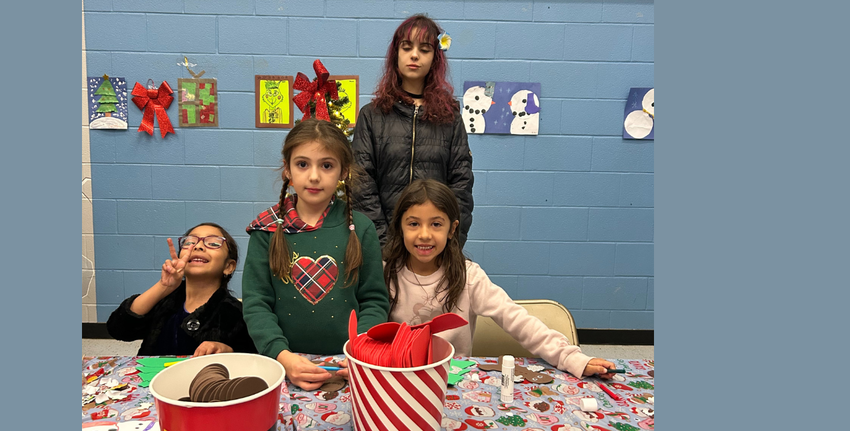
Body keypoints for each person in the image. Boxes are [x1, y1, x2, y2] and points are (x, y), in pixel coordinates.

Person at [383, 180, 615, 379]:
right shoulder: (385, 273)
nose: (424, 234)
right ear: (400, 227)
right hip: (394, 377)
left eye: (436, 224)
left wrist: (570, 357)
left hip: (451, 385)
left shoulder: (469, 277)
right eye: (413, 224)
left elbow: (516, 319)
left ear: (452, 229)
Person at [243, 119, 390, 390]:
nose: (314, 176)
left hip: (350, 366)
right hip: (282, 365)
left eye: (326, 165)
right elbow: (256, 304)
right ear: (287, 169)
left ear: (343, 171)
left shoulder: (361, 228)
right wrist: (283, 357)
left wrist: (360, 351)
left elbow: (374, 301)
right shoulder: (265, 229)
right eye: (302, 164)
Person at [352, 14, 474, 248]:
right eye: (406, 47)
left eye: (425, 49)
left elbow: (461, 186)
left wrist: (449, 244)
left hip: (434, 247)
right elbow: (361, 186)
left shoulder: (450, 118)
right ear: (396, 54)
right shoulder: (372, 115)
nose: (415, 55)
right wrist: (385, 245)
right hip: (383, 250)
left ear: (435, 58)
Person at [107, 222, 256, 356]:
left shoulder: (237, 313)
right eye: (190, 242)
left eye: (213, 243)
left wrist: (228, 351)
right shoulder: (164, 300)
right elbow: (119, 330)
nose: (198, 246)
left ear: (228, 266)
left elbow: (252, 358)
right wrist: (162, 287)